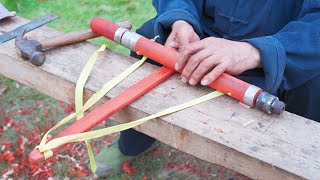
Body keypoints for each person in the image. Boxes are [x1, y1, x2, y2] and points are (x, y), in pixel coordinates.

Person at [94, 0, 320, 177]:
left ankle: (281, 169)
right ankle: (133, 143)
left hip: (279, 48)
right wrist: (181, 19)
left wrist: (256, 52)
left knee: (312, 80)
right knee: (150, 38)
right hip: (201, 34)